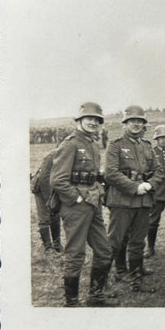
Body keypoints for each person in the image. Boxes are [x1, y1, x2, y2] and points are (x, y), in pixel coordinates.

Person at [50, 102, 113, 307]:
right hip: (76, 206)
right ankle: (72, 302)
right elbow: (58, 180)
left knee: (104, 250)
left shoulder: (93, 143)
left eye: (97, 120)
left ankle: (96, 296)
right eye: (89, 118)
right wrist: (77, 198)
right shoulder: (70, 144)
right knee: (75, 253)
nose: (93, 122)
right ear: (79, 120)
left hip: (93, 204)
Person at [104, 105, 163, 292]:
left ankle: (136, 276)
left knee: (138, 239)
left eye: (140, 121)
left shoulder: (147, 146)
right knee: (116, 240)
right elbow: (111, 173)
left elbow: (159, 170)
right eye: (132, 121)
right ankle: (109, 276)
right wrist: (134, 187)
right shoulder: (116, 145)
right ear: (125, 124)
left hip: (144, 200)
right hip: (122, 200)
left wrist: (150, 184)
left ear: (144, 125)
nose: (136, 124)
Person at [143, 124, 165, 258]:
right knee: (153, 220)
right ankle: (150, 247)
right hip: (157, 191)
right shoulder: (152, 152)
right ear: (156, 139)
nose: (163, 140)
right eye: (160, 138)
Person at [31, 149, 62, 254]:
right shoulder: (52, 156)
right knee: (44, 217)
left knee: (55, 214)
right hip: (41, 187)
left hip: (53, 187)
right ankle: (48, 247)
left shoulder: (67, 154)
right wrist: (49, 199)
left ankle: (57, 244)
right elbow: (44, 178)